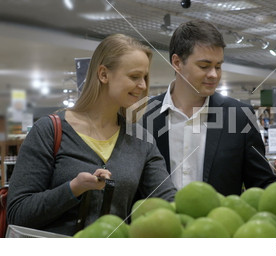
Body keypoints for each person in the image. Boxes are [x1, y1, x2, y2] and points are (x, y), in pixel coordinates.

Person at [7, 34, 177, 236]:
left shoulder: (141, 140)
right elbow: (18, 212)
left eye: (145, 77)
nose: (142, 85)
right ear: (103, 74)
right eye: (134, 76)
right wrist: (73, 189)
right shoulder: (49, 131)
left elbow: (168, 200)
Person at [142, 20, 276, 196]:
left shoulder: (239, 116)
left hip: (220, 223)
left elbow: (263, 183)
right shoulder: (143, 115)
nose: (214, 75)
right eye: (204, 66)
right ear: (177, 62)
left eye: (218, 66)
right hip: (157, 223)